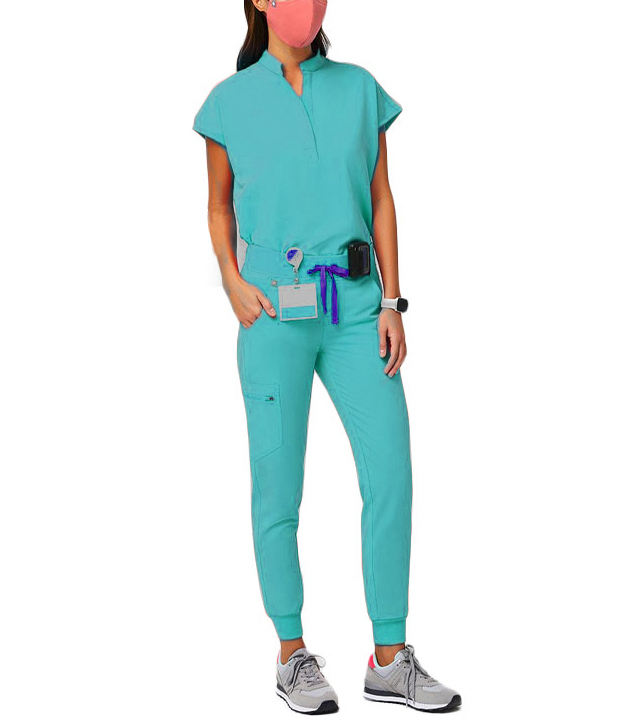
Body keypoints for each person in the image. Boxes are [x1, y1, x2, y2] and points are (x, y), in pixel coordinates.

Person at [193, 0, 460, 714]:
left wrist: (392, 301)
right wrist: (231, 281)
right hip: (272, 314)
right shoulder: (227, 103)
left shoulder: (360, 90)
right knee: (278, 487)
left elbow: (380, 196)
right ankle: (291, 652)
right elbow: (218, 205)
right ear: (257, 1)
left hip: (356, 311)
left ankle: (389, 658)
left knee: (391, 473)